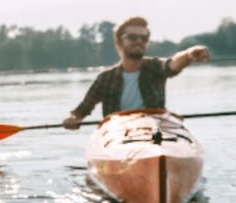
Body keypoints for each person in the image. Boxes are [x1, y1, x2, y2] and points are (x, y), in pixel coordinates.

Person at [62, 16, 211, 130]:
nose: (139, 41)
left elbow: (172, 64)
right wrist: (73, 119)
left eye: (144, 38)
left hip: (155, 130)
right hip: (118, 133)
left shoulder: (155, 67)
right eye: (132, 37)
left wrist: (190, 54)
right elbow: (81, 110)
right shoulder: (105, 78)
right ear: (119, 42)